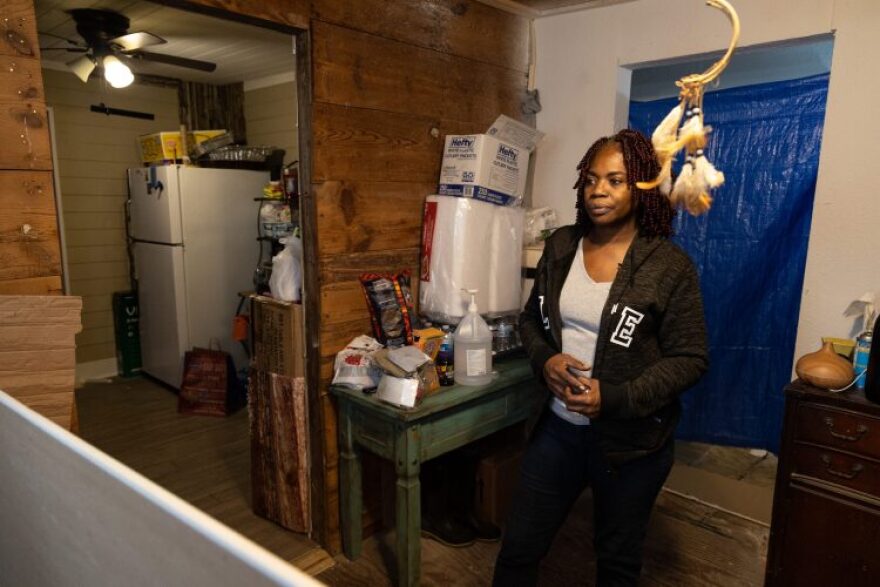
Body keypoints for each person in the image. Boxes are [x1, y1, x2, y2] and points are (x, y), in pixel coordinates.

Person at [493, 129, 709, 586]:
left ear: (642, 187)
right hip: (557, 431)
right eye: (591, 179)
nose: (598, 191)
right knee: (518, 550)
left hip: (631, 446)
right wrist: (546, 360)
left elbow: (690, 358)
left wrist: (614, 397)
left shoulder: (668, 267)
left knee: (616, 562)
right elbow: (531, 321)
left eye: (615, 180)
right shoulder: (561, 247)